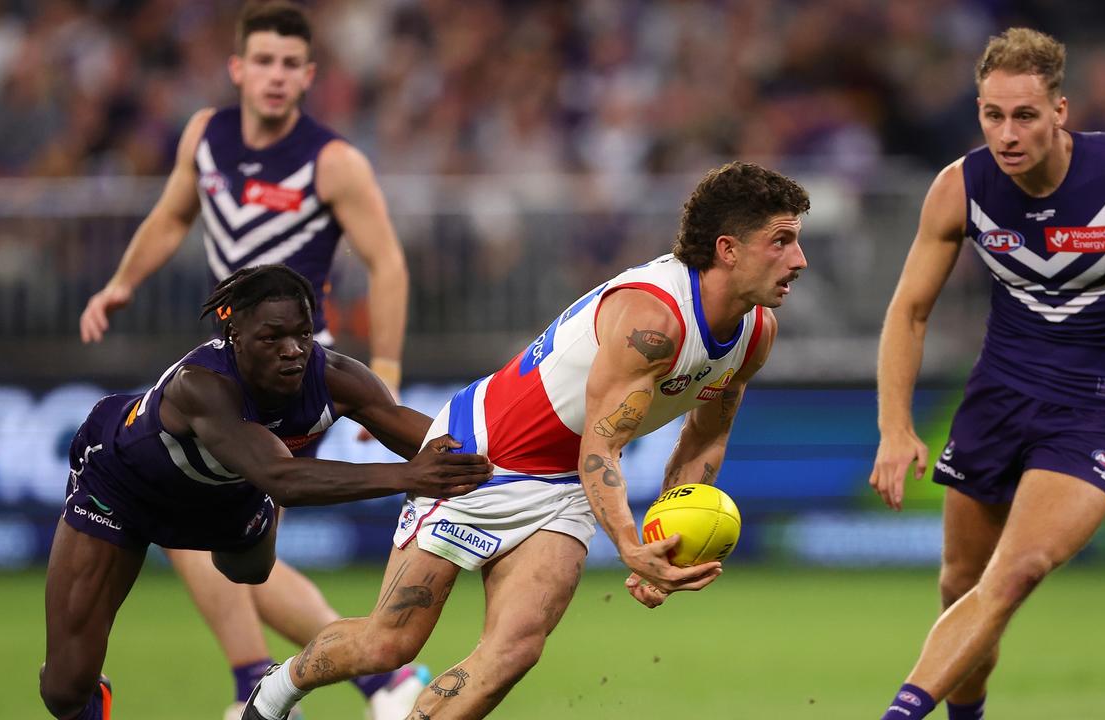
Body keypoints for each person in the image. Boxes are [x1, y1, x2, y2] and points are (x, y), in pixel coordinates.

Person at [239, 161, 810, 720]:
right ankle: (274, 695)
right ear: (728, 249)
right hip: (480, 455)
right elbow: (602, 449)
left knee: (514, 651)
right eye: (781, 242)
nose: (799, 260)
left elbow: (704, 436)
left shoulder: (756, 332)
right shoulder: (654, 321)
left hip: (566, 483)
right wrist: (629, 545)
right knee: (389, 645)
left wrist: (664, 545)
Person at [76, 3, 417, 717]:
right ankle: (360, 681)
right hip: (230, 372)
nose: (275, 76)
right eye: (262, 60)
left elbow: (386, 263)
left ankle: (313, 683)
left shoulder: (333, 162)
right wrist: (121, 285)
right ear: (237, 68)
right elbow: (172, 214)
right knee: (227, 544)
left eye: (290, 64)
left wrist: (383, 369)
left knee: (206, 531)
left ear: (309, 76)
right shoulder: (206, 136)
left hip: (295, 375)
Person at [867, 28, 1105, 720]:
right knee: (962, 586)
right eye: (992, 115)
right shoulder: (960, 188)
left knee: (1013, 574)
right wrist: (895, 426)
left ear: (1060, 111)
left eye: (1024, 115)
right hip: (998, 398)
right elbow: (908, 311)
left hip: (1096, 409)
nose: (1006, 133)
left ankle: (898, 714)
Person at [42, 265, 492, 720]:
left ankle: (260, 672)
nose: (292, 350)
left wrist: (498, 465)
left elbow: (432, 438)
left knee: (252, 571)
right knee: (64, 689)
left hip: (228, 491)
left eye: (303, 334)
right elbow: (284, 480)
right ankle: (104, 694)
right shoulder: (200, 384)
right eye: (272, 338)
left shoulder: (334, 376)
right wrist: (409, 476)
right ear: (234, 333)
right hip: (122, 489)